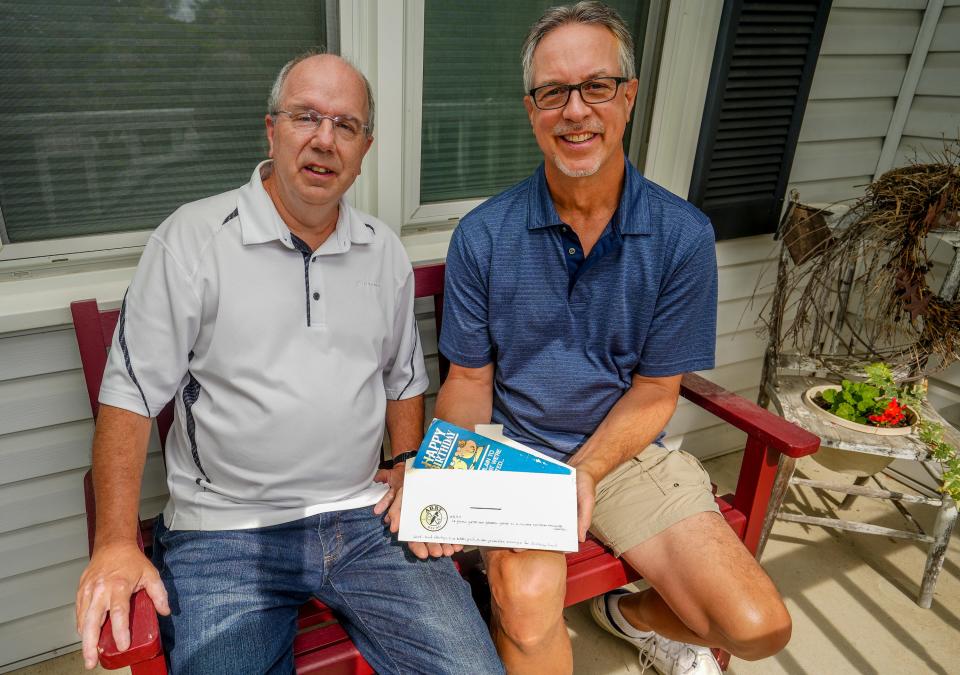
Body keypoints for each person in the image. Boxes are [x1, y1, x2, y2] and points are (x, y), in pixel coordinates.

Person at [74, 51, 504, 675]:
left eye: (346, 125)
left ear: (366, 147)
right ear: (271, 130)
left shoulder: (382, 251)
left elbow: (402, 378)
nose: (324, 140)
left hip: (365, 519)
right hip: (225, 533)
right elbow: (130, 396)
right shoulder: (194, 240)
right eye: (306, 117)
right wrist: (114, 541)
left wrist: (410, 465)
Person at [434, 3, 793, 674]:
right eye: (553, 92)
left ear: (628, 98)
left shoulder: (680, 234)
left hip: (625, 453)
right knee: (523, 593)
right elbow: (469, 381)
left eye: (596, 86)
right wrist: (447, 476)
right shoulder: (484, 235)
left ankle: (625, 614)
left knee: (760, 625)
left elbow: (657, 390)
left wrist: (588, 470)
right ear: (531, 109)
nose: (575, 110)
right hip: (519, 452)